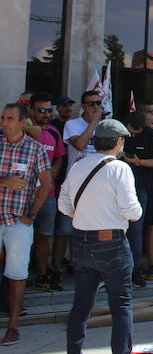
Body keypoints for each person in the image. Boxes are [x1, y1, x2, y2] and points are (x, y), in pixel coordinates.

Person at [58, 119, 142, 354]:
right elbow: (132, 212)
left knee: (81, 306)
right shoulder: (120, 168)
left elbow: (63, 204)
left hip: (82, 239)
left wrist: (85, 215)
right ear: (118, 142)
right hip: (111, 241)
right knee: (121, 304)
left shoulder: (78, 165)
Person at [0, 103, 52, 346]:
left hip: (18, 221)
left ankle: (13, 325)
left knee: (17, 273)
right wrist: (5, 181)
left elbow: (46, 183)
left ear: (23, 122)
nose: (4, 122)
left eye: (9, 118)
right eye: (3, 117)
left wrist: (31, 214)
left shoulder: (35, 149)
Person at [122, 111, 153, 286]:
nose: (133, 135)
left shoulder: (152, 136)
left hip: (146, 187)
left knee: (141, 228)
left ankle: (136, 269)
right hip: (122, 187)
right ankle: (127, 269)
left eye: (136, 132)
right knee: (128, 230)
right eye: (131, 132)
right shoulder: (121, 134)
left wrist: (139, 162)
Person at [29, 92, 66, 292]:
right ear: (31, 110)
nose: (46, 114)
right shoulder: (23, 132)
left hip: (48, 194)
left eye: (49, 110)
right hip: (24, 195)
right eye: (41, 110)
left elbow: (60, 156)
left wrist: (55, 171)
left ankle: (42, 276)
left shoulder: (54, 132)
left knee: (44, 237)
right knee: (21, 237)